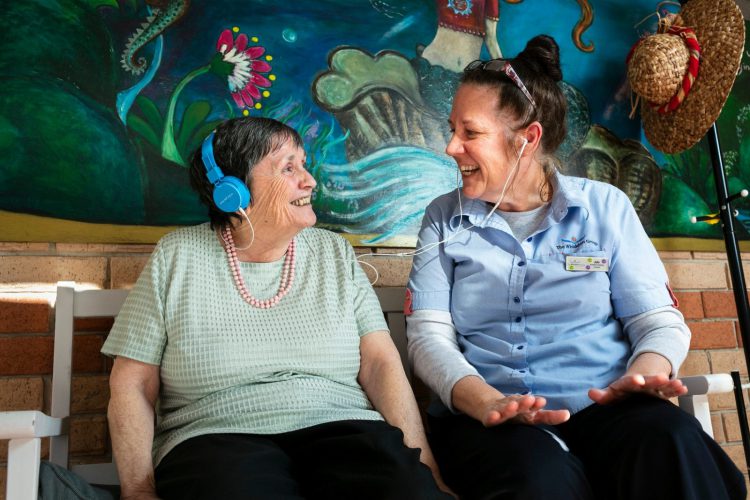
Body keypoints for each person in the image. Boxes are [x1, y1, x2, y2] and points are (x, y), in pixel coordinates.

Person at [406, 34, 746, 500]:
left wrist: (642, 375)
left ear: (528, 139)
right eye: (452, 129)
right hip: (491, 420)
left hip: (605, 407)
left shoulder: (605, 207)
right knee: (538, 478)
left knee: (671, 440)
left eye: (470, 132)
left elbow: (658, 321)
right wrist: (486, 402)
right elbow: (428, 337)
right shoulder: (443, 217)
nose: (451, 147)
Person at [103, 117, 452, 499]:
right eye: (289, 167)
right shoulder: (177, 256)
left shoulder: (331, 252)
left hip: (343, 427)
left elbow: (380, 363)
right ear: (231, 191)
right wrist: (137, 489)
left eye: (303, 164)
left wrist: (428, 470)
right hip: (218, 437)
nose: (309, 181)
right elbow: (132, 382)